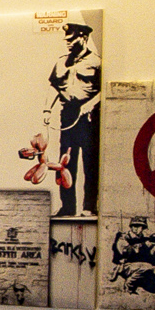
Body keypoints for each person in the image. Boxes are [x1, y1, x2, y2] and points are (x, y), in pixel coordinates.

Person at [48, 21, 100, 217]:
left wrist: (91, 104)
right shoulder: (62, 62)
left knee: (90, 163)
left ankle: (89, 207)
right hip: (67, 116)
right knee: (65, 163)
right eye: (66, 40)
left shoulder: (97, 62)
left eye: (72, 40)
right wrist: (47, 110)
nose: (68, 44)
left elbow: (104, 90)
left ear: (83, 38)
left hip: (89, 119)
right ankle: (67, 207)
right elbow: (54, 87)